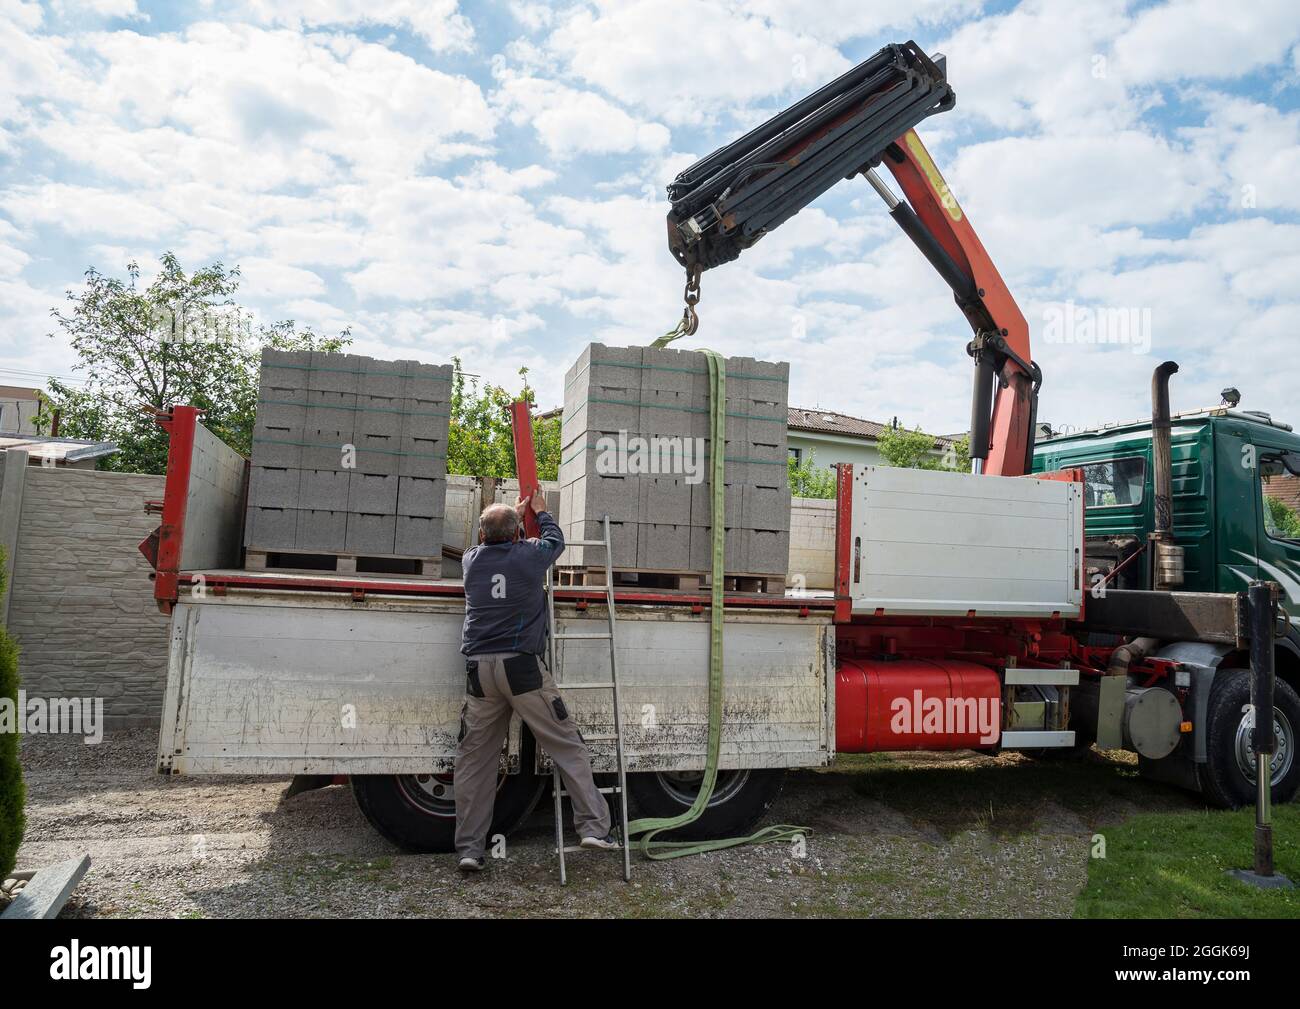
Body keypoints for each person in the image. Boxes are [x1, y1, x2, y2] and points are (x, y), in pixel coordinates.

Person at [453, 489, 616, 871]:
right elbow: (554, 542)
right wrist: (539, 512)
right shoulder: (528, 557)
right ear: (515, 535)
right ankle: (594, 827)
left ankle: (469, 850)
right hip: (521, 669)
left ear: (480, 537)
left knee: (475, 761)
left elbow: (493, 540)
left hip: (480, 671)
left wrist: (513, 515)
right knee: (565, 743)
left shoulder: (471, 561)